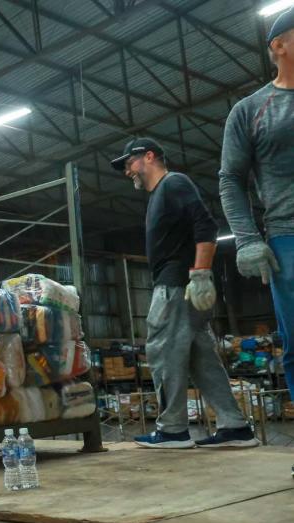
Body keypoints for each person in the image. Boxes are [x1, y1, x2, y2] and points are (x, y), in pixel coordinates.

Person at [110, 138, 258, 449]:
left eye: (130, 163)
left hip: (177, 286)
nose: (127, 171)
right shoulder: (160, 195)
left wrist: (200, 274)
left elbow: (206, 225)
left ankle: (172, 429)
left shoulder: (174, 183)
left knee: (163, 353)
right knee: (201, 359)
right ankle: (235, 426)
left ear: (149, 156)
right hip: (185, 288)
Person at [218, 9, 294, 432]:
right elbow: (231, 178)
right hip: (288, 236)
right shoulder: (251, 110)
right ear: (278, 46)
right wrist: (247, 239)